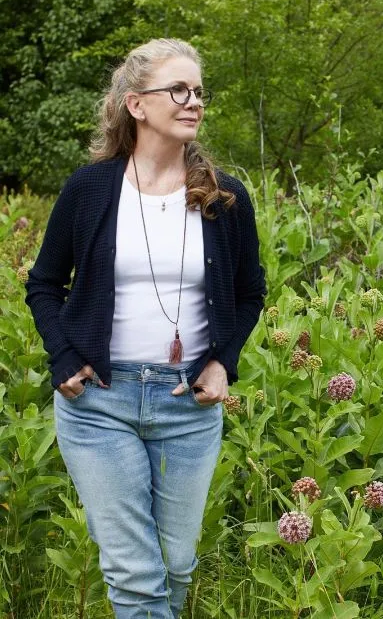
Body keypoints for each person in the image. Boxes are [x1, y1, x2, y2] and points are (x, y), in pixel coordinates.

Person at [25, 38, 266, 618]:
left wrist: (221, 362)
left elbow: (250, 291)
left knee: (175, 564)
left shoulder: (225, 195)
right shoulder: (90, 189)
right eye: (178, 90)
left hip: (188, 403)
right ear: (136, 104)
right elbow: (44, 283)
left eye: (199, 91)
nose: (194, 102)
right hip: (98, 403)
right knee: (135, 573)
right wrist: (62, 357)